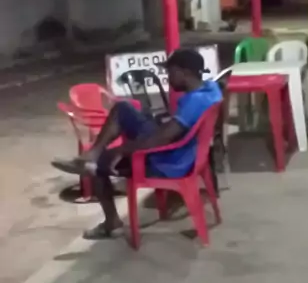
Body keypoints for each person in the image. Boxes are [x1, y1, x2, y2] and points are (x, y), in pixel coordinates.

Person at [53, 48, 222, 240]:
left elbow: (161, 140)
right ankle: (92, 155)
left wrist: (122, 150)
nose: (168, 78)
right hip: (187, 153)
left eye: (171, 72)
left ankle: (111, 222)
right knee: (123, 109)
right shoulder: (210, 89)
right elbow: (172, 131)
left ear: (186, 73)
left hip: (168, 162)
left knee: (99, 164)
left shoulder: (194, 102)